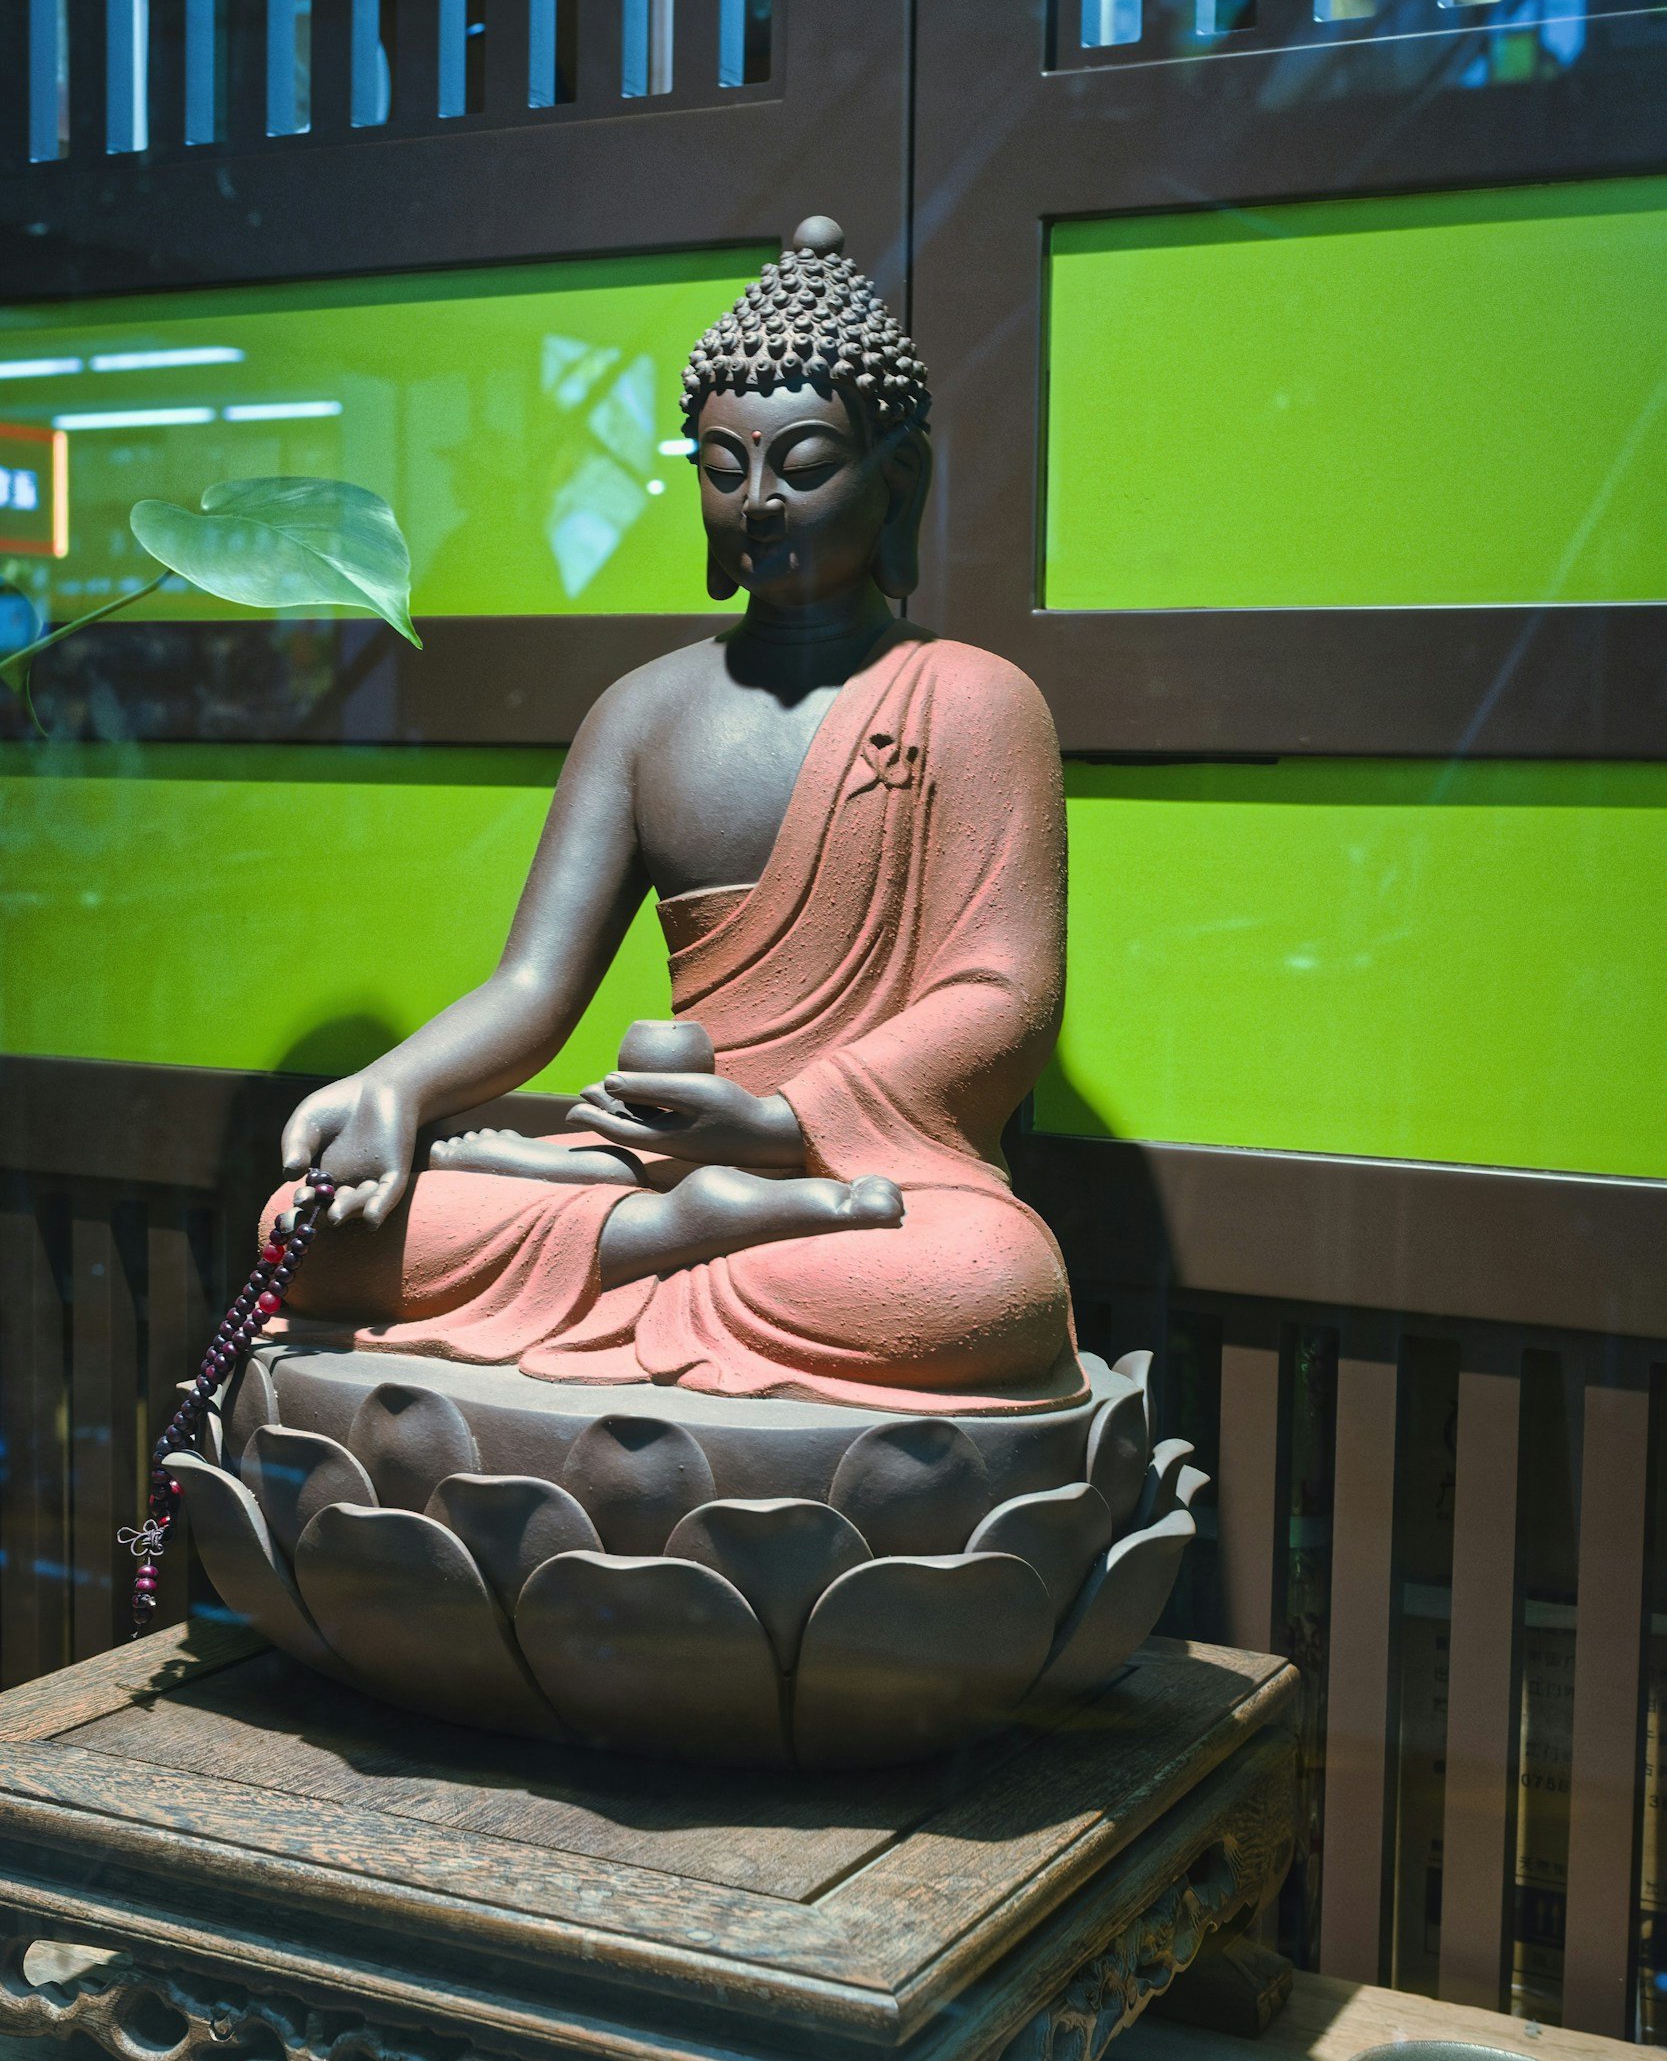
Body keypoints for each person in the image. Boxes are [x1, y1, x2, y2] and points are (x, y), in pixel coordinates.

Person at [275, 220, 1085, 1415]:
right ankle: (673, 1232)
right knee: (301, 1226)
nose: (755, 501)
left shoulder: (972, 700)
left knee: (981, 1282)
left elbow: (1002, 996)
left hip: (859, 1173)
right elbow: (532, 989)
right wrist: (394, 1087)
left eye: (802, 465)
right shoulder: (641, 712)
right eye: (719, 467)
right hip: (654, 1163)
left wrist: (778, 1122)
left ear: (897, 479)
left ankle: (653, 1247)